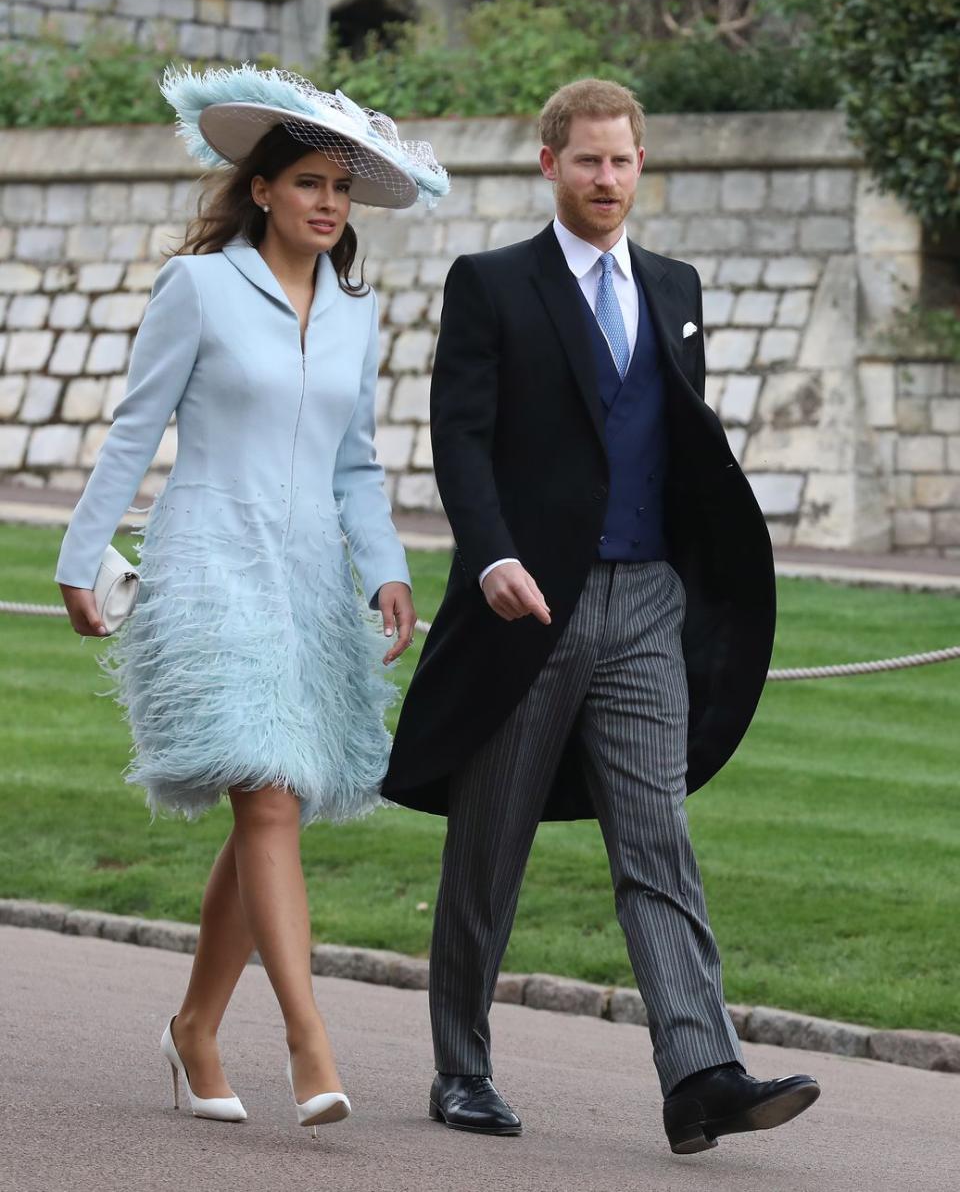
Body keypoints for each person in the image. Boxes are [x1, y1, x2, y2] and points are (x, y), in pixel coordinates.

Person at [382, 78, 820, 1155]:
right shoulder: (491, 285)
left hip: (646, 609)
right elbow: (461, 438)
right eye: (588, 161)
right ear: (550, 164)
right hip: (525, 605)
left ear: (640, 164)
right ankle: (462, 1065)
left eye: (623, 161)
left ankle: (699, 1071)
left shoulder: (675, 285)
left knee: (657, 837)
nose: (608, 180)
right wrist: (489, 555)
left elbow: (674, 445)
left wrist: (698, 578)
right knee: (491, 844)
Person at [55, 65, 449, 1136]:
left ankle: (193, 1024)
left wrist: (388, 566)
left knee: (270, 800)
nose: (329, 203)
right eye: (311, 182)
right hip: (209, 560)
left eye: (342, 189)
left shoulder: (359, 311)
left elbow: (357, 463)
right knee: (268, 793)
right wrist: (80, 554)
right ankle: (308, 1036)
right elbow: (135, 429)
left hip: (311, 578)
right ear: (263, 187)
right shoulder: (201, 288)